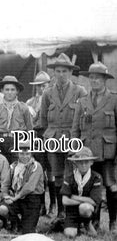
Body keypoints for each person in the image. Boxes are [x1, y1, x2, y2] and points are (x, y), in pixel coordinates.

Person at [40, 53, 86, 219]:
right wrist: (51, 135)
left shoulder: (79, 91)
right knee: (57, 175)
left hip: (72, 138)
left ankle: (73, 214)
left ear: (70, 72)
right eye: (58, 71)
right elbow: (43, 120)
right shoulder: (47, 93)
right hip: (53, 139)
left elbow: (84, 118)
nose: (61, 74)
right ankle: (60, 212)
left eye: (64, 71)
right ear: (54, 73)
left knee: (72, 175)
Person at [73, 61, 117, 232]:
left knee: (111, 185)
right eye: (91, 78)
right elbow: (75, 129)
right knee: (91, 186)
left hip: (108, 152)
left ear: (105, 80)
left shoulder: (114, 99)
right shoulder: (82, 101)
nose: (94, 81)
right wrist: (76, 150)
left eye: (98, 78)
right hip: (88, 153)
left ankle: (113, 222)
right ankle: (94, 222)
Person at [61, 147, 105, 238]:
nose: (83, 165)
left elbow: (94, 201)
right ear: (75, 163)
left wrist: (73, 197)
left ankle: (87, 224)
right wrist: (85, 200)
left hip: (87, 210)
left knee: (84, 207)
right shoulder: (69, 177)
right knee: (70, 234)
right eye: (80, 162)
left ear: (91, 162)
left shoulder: (96, 177)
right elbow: (64, 201)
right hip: (72, 211)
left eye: (86, 162)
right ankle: (74, 226)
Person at [3, 141, 45, 234]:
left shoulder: (36, 166)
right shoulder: (13, 166)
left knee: (28, 232)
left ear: (31, 153)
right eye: (21, 153)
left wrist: (15, 198)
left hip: (32, 199)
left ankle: (26, 224)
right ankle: (16, 223)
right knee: (3, 208)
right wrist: (6, 196)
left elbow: (29, 187)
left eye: (27, 154)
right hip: (17, 198)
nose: (24, 156)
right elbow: (5, 184)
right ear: (17, 154)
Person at [27, 71, 52, 216]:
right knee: (39, 171)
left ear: (49, 85)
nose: (41, 89)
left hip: (49, 136)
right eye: (38, 86)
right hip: (35, 137)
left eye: (43, 85)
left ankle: (53, 204)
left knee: (52, 171)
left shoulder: (52, 100)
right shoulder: (30, 102)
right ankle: (42, 204)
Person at [0, 76, 33, 163]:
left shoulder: (24, 108)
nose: (10, 92)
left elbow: (30, 129)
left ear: (17, 91)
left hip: (18, 141)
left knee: (16, 166)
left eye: (12, 90)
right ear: (2, 91)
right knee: (0, 165)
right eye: (7, 90)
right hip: (1, 141)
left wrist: (29, 146)